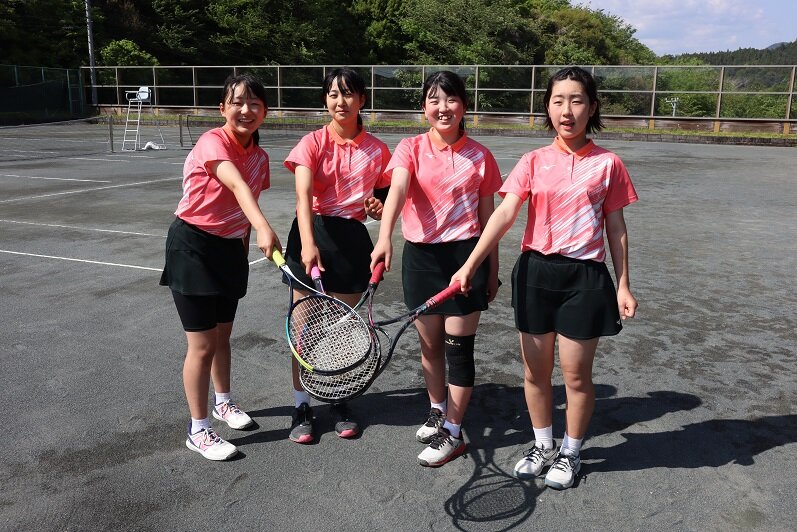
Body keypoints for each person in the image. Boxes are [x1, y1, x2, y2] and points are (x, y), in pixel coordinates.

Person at [451, 66, 639, 489]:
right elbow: (504, 213)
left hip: (585, 278)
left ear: (592, 107)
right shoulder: (533, 161)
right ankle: (542, 445)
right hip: (535, 274)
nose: (567, 110)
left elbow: (616, 227)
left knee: (576, 375)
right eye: (558, 101)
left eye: (576, 101)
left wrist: (623, 283)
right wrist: (471, 264)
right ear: (548, 108)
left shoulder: (608, 164)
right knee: (535, 373)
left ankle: (570, 452)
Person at [370, 71, 502, 467]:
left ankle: (454, 433)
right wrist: (384, 236)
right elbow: (397, 190)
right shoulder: (410, 148)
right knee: (429, 345)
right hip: (421, 260)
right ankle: (437, 409)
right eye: (434, 100)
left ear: (464, 106)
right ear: (424, 107)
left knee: (458, 350)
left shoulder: (480, 156)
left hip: (466, 258)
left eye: (450, 99)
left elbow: (488, 218)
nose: (442, 108)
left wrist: (491, 269)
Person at [160, 73, 281, 460]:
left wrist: (244, 249)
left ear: (265, 111)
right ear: (222, 108)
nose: (246, 110)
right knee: (202, 344)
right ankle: (198, 430)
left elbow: (242, 209)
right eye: (237, 102)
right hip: (192, 246)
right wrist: (264, 227)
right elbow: (237, 186)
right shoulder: (212, 141)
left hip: (230, 251)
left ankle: (223, 403)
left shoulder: (260, 158)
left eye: (255, 104)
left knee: (223, 337)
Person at [282, 67, 391, 444]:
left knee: (341, 331)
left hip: (351, 241)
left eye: (347, 94)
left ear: (362, 99)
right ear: (325, 99)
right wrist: (308, 243)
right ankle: (301, 405)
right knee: (304, 330)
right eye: (333, 94)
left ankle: (338, 399)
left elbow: (383, 201)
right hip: (311, 233)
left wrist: (378, 208)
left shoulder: (378, 150)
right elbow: (302, 197)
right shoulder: (311, 142)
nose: (340, 101)